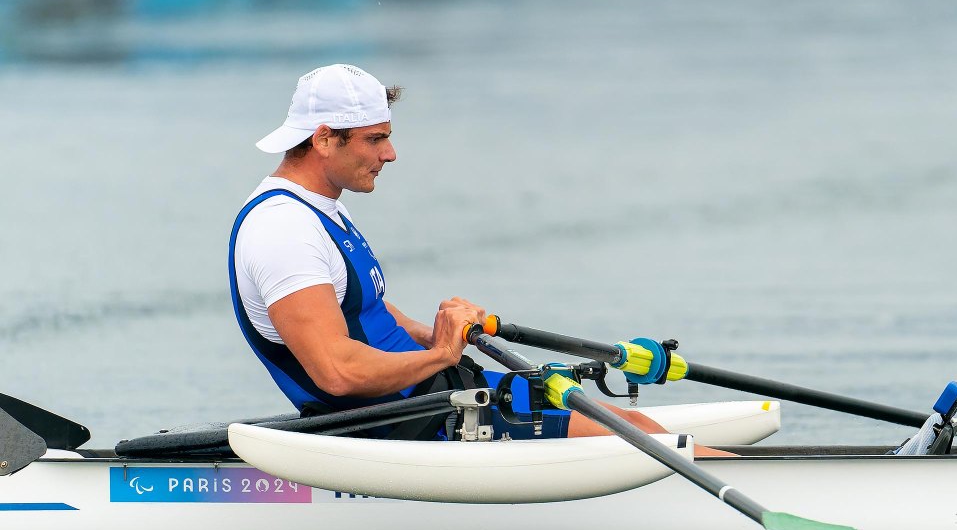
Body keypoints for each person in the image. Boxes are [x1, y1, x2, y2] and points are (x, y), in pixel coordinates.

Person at [230, 63, 732, 455]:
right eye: (375, 139)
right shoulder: (284, 230)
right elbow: (336, 371)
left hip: (429, 394)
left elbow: (367, 316)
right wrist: (441, 356)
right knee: (631, 438)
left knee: (636, 428)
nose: (391, 154)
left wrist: (440, 333)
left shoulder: (319, 210)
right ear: (322, 138)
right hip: (406, 422)